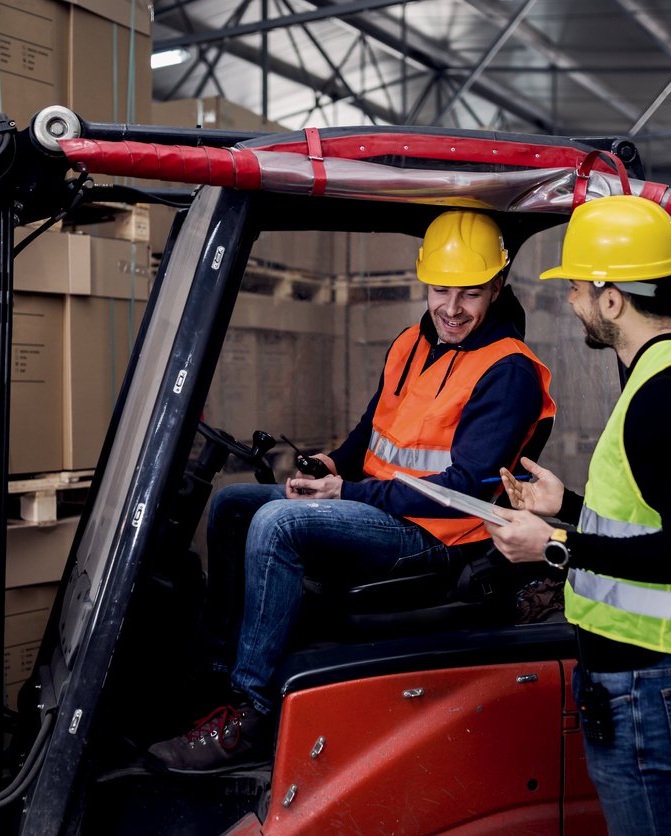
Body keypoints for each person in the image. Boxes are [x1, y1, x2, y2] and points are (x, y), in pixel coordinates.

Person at [148, 209, 558, 774]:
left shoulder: (507, 371)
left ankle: (251, 710)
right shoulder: (412, 342)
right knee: (232, 505)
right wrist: (328, 466)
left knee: (277, 524)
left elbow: (463, 488)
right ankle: (215, 676)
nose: (452, 307)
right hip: (384, 509)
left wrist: (348, 493)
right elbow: (370, 433)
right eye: (441, 289)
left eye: (470, 293)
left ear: (498, 286)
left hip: (440, 536)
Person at [485, 195, 671, 835]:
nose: (572, 301)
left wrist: (554, 544)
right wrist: (567, 507)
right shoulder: (665, 374)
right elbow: (652, 520)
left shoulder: (666, 394)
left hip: (646, 683)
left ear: (613, 300)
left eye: (578, 288)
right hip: (640, 679)